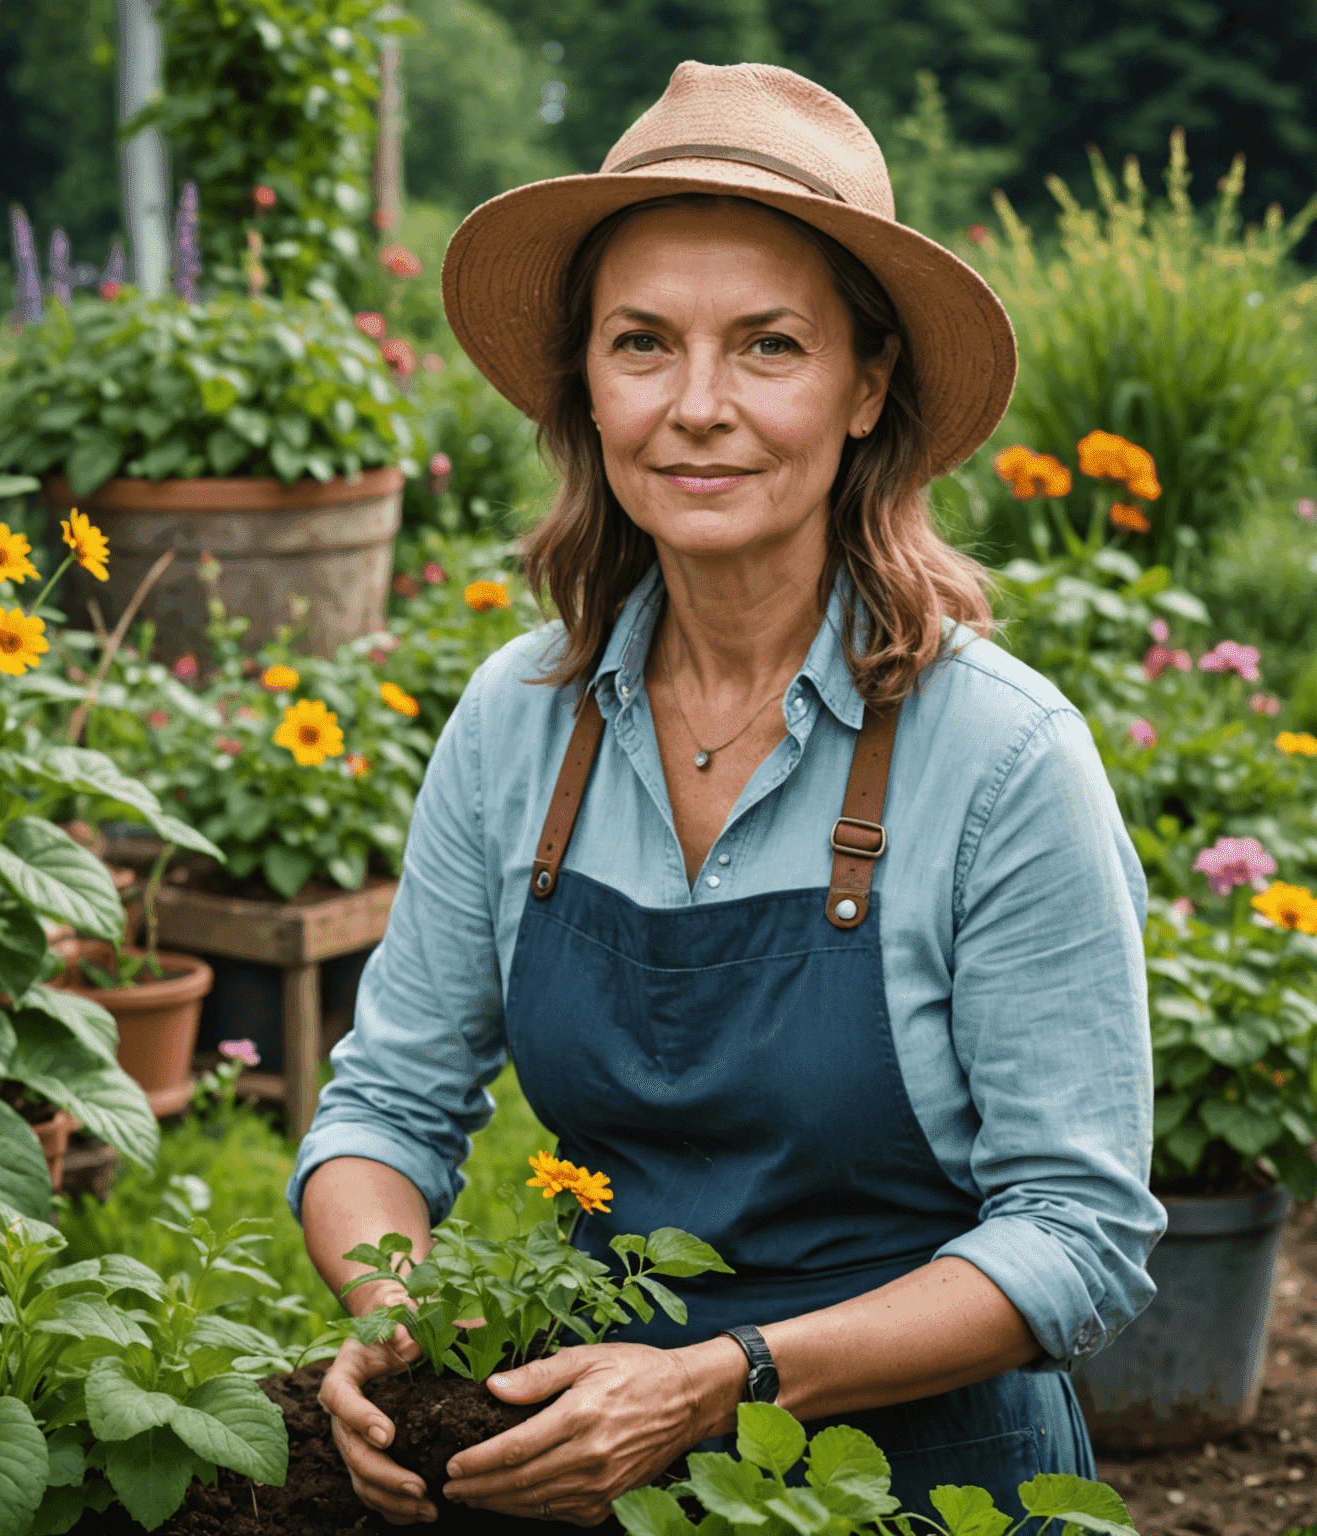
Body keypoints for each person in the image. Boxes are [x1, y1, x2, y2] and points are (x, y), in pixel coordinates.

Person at [291, 60, 1164, 1529]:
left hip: (932, 1480)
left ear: (865, 383)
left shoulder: (1001, 757)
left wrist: (727, 1377)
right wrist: (405, 1305)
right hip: (594, 1473)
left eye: (768, 346)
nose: (698, 408)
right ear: (586, 379)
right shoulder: (522, 724)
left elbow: (1079, 1238)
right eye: (643, 344)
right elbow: (384, 1104)